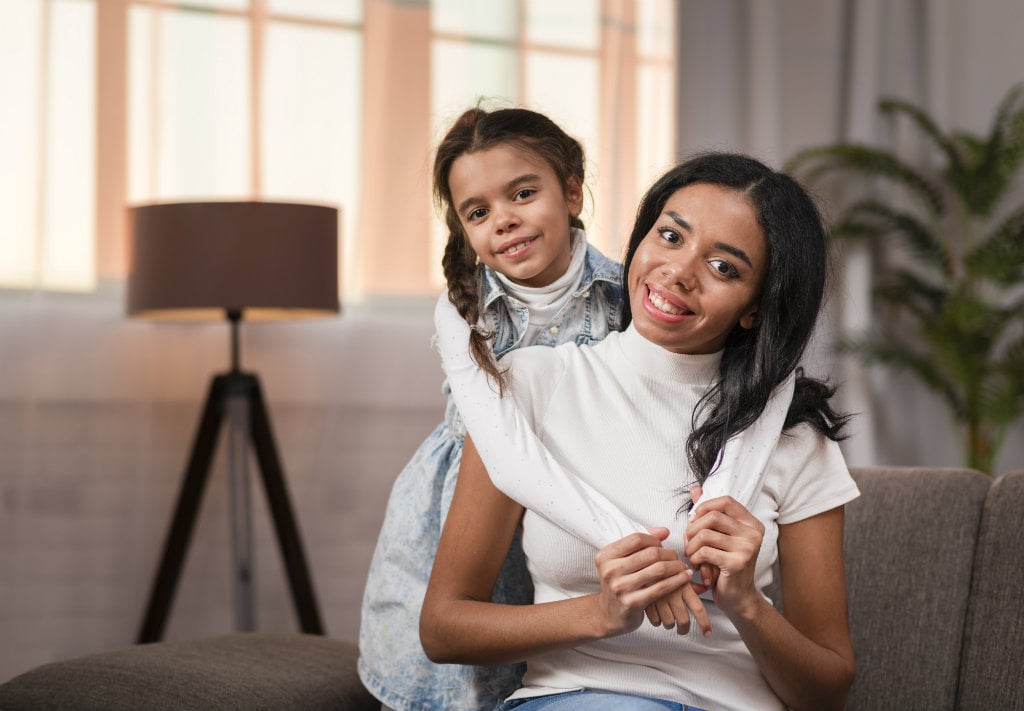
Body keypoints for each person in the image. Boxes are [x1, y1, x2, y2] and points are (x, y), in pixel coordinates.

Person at [420, 153, 860, 711]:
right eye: (671, 236)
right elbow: (443, 627)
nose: (679, 271)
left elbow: (828, 692)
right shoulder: (530, 387)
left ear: (755, 308)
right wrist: (600, 614)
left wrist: (747, 602)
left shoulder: (792, 438)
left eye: (725, 267)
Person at [358, 106, 624, 711]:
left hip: (573, 509)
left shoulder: (628, 293)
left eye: (523, 193)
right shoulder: (463, 309)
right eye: (478, 212)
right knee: (458, 686)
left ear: (573, 191)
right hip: (473, 503)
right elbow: (500, 442)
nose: (503, 220)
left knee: (553, 667)